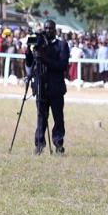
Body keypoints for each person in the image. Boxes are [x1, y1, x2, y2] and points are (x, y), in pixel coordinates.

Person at [25, 20, 70, 155]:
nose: (48, 30)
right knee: (41, 117)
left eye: (50, 28)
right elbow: (29, 62)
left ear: (55, 30)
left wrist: (45, 59)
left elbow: (62, 66)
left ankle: (58, 144)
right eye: (46, 28)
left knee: (58, 118)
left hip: (56, 88)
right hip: (40, 86)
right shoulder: (39, 44)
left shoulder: (62, 45)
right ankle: (39, 144)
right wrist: (29, 48)